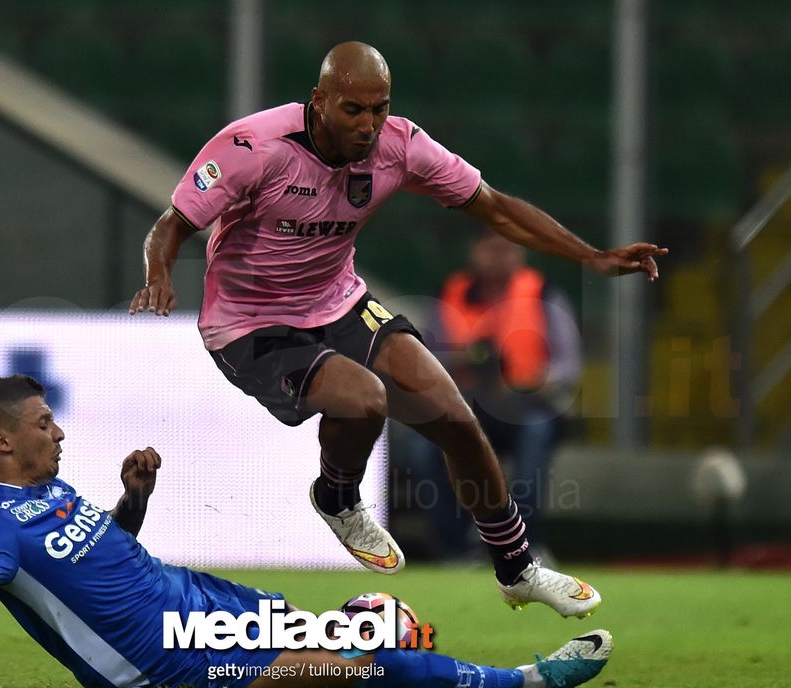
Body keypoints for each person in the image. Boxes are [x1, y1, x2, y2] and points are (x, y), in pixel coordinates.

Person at [128, 41, 667, 616]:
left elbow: (498, 209)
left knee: (456, 419)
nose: (368, 125)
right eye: (353, 110)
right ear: (319, 101)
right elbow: (170, 225)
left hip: (339, 302)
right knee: (364, 401)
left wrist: (592, 256)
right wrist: (159, 276)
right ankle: (337, 498)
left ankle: (517, 569)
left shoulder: (400, 146)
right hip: (251, 324)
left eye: (379, 108)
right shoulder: (253, 147)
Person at [0, 375, 613, 688]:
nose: (59, 431)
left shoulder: (49, 491)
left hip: (193, 600)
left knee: (330, 631)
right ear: (2, 439)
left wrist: (133, 502)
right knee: (364, 662)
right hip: (170, 656)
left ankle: (359, 625)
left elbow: (100, 554)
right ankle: (526, 683)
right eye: (44, 423)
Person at [425, 229, 583, 557]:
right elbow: (427, 357)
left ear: (521, 253)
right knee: (422, 446)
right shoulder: (448, 294)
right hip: (465, 405)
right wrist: (466, 361)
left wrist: (538, 381)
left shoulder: (544, 293)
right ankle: (456, 548)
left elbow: (569, 365)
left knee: (536, 433)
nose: (499, 256)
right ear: (474, 252)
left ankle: (523, 543)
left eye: (507, 249)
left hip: (525, 405)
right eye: (491, 248)